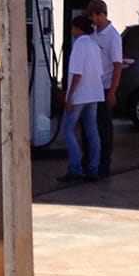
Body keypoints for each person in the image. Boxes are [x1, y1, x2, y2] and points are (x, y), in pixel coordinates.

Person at [59, 12, 105, 183]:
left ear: (78, 29)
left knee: (68, 130)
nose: (71, 30)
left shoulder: (79, 45)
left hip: (80, 94)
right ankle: (94, 168)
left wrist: (69, 97)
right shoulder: (94, 45)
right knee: (92, 130)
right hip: (94, 93)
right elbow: (99, 72)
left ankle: (75, 168)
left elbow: (77, 73)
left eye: (73, 27)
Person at [86, 0, 125, 177]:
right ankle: (91, 161)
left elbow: (117, 65)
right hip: (91, 87)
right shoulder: (92, 34)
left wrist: (112, 91)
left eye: (93, 16)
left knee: (103, 127)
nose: (91, 20)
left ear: (101, 15)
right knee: (89, 125)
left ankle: (104, 164)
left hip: (104, 87)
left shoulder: (113, 36)